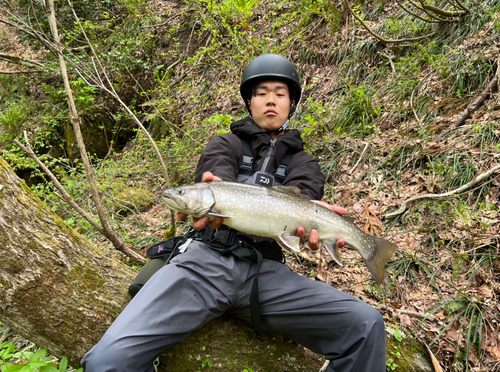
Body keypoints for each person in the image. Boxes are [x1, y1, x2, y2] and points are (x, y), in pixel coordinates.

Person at [81, 54, 386, 372]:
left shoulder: (304, 163)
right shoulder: (224, 143)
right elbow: (214, 176)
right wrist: (207, 189)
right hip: (203, 263)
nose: (271, 100)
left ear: (291, 103)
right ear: (249, 101)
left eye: (280, 94)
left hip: (266, 275)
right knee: (106, 363)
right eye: (261, 92)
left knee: (366, 325)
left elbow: (304, 201)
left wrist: (313, 221)